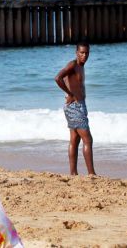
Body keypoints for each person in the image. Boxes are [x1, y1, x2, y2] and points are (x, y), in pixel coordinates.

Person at [54, 41, 96, 175]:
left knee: (74, 139)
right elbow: (57, 78)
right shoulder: (73, 65)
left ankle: (73, 173)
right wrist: (70, 94)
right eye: (82, 53)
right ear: (76, 52)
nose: (85, 55)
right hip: (75, 106)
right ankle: (91, 174)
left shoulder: (81, 66)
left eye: (87, 53)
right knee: (88, 139)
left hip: (76, 106)